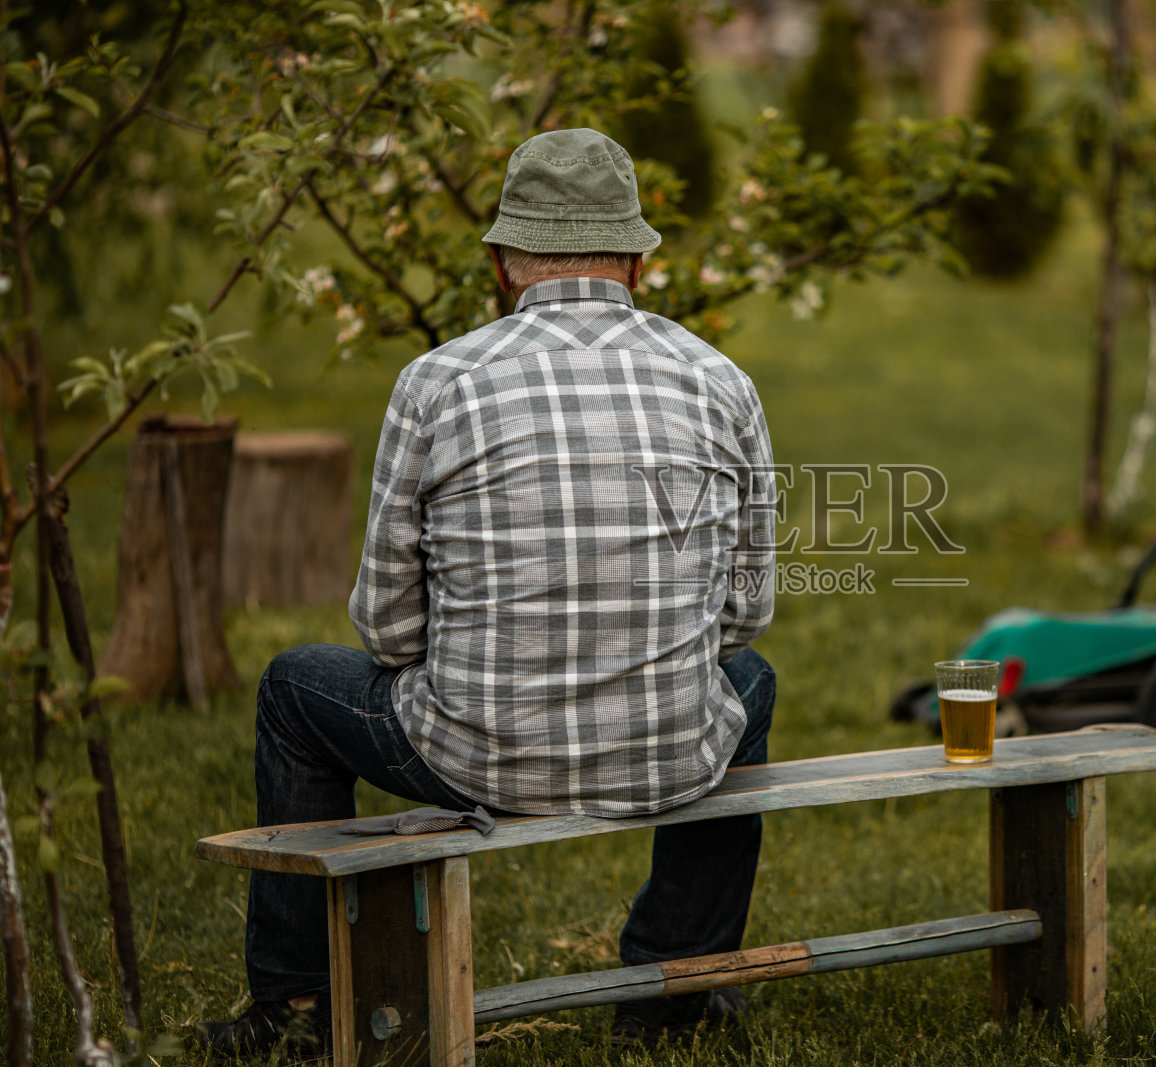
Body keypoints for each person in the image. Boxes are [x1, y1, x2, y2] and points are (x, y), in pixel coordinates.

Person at [197, 128, 778, 1059]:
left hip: (474, 754)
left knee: (293, 688)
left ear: (505, 262)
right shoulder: (721, 379)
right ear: (637, 259)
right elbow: (744, 615)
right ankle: (673, 980)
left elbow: (386, 627)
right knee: (754, 680)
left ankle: (297, 1005)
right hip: (669, 751)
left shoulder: (439, 381)